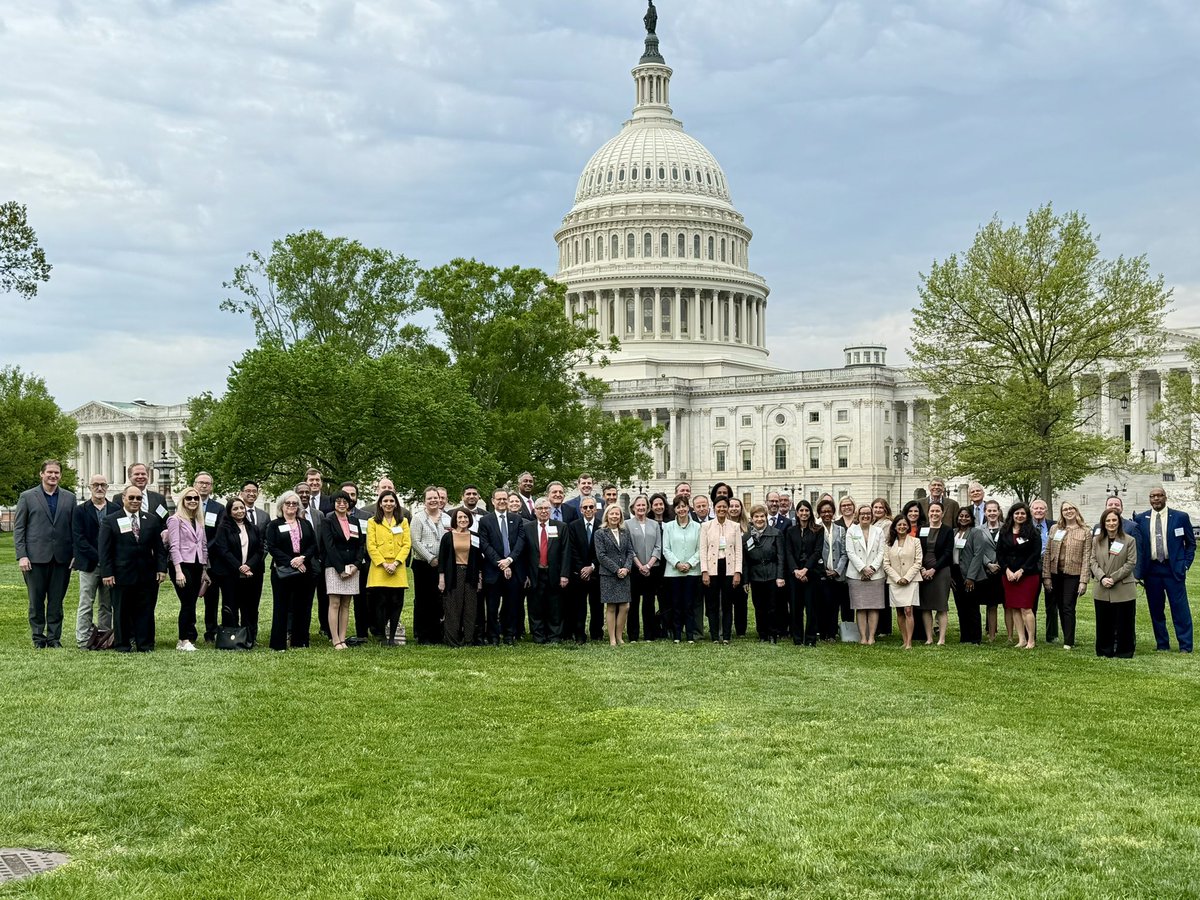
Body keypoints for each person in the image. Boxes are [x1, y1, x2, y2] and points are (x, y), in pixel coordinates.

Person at [14, 459, 76, 649]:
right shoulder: (27, 497)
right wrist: (22, 555)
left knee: (56, 601)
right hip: (35, 558)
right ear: (41, 474)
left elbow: (75, 528)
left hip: (62, 558)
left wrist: (75, 554)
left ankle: (54, 638)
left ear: (60, 475)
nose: (53, 476)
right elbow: (19, 528)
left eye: (56, 473)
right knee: (36, 601)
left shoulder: (69, 497)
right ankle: (38, 637)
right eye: (49, 472)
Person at [99, 484, 168, 652]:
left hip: (146, 574)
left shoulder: (151, 519)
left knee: (145, 610)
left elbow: (159, 548)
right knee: (121, 610)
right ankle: (122, 644)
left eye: (139, 498)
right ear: (123, 498)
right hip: (121, 574)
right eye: (131, 497)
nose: (135, 501)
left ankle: (145, 644)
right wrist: (107, 573)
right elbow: (105, 550)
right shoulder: (110, 520)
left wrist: (161, 568)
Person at [1134, 486, 1195, 653]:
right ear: (1149, 499)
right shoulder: (1140, 519)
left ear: (1165, 497)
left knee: (1180, 609)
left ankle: (1185, 645)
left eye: (1159, 495)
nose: (1156, 499)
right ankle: (1162, 644)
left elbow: (1190, 544)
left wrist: (1185, 564)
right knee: (1156, 609)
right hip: (1152, 570)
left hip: (1173, 569)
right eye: (1152, 496)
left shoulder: (1180, 517)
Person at [265, 490, 318, 652]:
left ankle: (300, 641)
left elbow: (313, 545)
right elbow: (272, 547)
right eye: (288, 503)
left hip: (304, 570)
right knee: (281, 607)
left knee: (303, 606)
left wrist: (302, 558)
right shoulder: (274, 525)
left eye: (295, 504)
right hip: (282, 571)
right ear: (282, 506)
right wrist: (291, 561)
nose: (292, 506)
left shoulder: (305, 523)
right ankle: (279, 643)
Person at [209, 496, 265, 647]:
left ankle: (250, 638)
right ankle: (231, 638)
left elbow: (260, 550)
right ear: (230, 512)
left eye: (242, 508)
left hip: (251, 574)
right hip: (230, 575)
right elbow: (223, 550)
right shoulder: (223, 528)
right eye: (235, 509)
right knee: (231, 606)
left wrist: (249, 565)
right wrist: (239, 566)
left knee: (250, 607)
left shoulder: (254, 528)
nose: (240, 511)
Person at [72, 473, 120, 648]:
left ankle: (105, 637)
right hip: (89, 565)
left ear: (107, 487)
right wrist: (101, 557)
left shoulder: (115, 509)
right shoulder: (80, 510)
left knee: (107, 604)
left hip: (110, 567)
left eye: (103, 485)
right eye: (95, 485)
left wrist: (107, 560)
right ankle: (83, 639)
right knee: (86, 602)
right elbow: (79, 539)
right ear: (89, 488)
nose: (99, 488)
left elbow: (119, 538)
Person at [477, 488, 526, 646]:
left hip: (514, 569)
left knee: (511, 606)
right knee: (492, 606)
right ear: (492, 501)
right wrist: (501, 563)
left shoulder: (516, 519)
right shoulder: (485, 521)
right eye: (499, 499)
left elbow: (520, 543)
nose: (502, 501)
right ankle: (493, 636)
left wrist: (510, 560)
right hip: (493, 570)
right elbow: (485, 545)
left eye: (504, 499)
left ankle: (509, 635)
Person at [319, 491, 365, 650]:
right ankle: (335, 639)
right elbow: (329, 546)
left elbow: (360, 545)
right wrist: (340, 569)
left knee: (346, 603)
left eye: (344, 501)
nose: (341, 504)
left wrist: (356, 565)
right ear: (333, 503)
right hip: (334, 567)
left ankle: (343, 638)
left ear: (349, 503)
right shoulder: (327, 521)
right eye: (338, 501)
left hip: (352, 567)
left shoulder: (354, 521)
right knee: (335, 603)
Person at [1042, 501, 1091, 650]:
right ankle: (1065, 635)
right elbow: (1048, 552)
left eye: (1071, 508)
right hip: (1056, 572)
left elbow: (1087, 557)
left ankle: (1069, 641)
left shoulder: (1085, 531)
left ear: (1076, 511)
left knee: (1068, 606)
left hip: (1073, 574)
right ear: (1061, 512)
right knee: (1059, 605)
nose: (1068, 511)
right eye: (1065, 509)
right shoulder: (1055, 528)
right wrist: (1046, 576)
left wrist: (1084, 581)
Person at [522, 498, 572, 643]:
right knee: (535, 606)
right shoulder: (527, 528)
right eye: (540, 508)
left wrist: (564, 574)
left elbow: (566, 552)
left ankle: (554, 635)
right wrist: (525, 574)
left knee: (555, 606)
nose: (544, 511)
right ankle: (538, 635)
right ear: (534, 511)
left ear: (550, 510)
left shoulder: (561, 527)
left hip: (554, 573)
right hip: (534, 573)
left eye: (546, 508)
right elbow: (524, 553)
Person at [365, 489, 411, 646]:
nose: (388, 504)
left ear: (396, 503)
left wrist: (396, 563)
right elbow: (371, 546)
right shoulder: (373, 522)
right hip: (379, 568)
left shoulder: (403, 521)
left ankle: (393, 637)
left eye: (391, 501)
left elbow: (406, 544)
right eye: (385, 501)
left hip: (398, 567)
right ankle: (381, 636)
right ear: (380, 504)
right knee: (380, 603)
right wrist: (384, 563)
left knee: (396, 602)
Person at [1091, 509, 1139, 658]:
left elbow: (1131, 563)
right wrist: (1102, 577)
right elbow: (1092, 561)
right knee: (1103, 622)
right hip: (1102, 586)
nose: (1111, 523)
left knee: (1125, 622)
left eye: (1114, 520)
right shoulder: (1096, 540)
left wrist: (1113, 578)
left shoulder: (1129, 540)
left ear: (1119, 522)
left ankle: (1124, 651)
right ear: (1103, 523)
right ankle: (1104, 650)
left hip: (1123, 587)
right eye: (1108, 521)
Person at [167, 487, 209, 652]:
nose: (192, 501)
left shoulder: (199, 520)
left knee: (192, 602)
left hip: (197, 564)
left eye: (196, 498)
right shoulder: (175, 520)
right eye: (189, 498)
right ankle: (183, 639)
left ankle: (189, 637)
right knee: (187, 602)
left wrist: (205, 569)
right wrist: (178, 570)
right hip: (182, 564)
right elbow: (174, 546)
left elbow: (203, 545)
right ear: (183, 501)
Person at [996, 502, 1042, 650]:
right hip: (1008, 575)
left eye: (1023, 513)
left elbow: (1035, 555)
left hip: (1027, 575)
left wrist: (1021, 571)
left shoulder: (1033, 533)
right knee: (1014, 607)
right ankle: (1021, 639)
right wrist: (1007, 570)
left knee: (1026, 608)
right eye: (1017, 513)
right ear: (1012, 515)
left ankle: (1031, 640)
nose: (1020, 516)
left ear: (1027, 515)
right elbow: (1000, 553)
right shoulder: (1004, 531)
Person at [700, 496, 743, 643]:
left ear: (728, 508)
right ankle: (714, 636)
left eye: (725, 506)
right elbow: (702, 550)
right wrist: (704, 571)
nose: (722, 509)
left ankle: (726, 636)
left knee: (727, 603)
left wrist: (737, 572)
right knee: (712, 603)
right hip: (712, 567)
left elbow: (738, 551)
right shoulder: (706, 526)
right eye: (719, 506)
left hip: (729, 567)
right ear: (714, 508)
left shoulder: (735, 527)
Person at [438, 508, 483, 647]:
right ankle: (452, 640)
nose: (463, 520)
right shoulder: (448, 536)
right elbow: (442, 559)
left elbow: (478, 559)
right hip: (453, 573)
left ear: (469, 519)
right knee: (453, 607)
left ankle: (468, 639)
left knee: (470, 607)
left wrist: (480, 578)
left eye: (465, 517)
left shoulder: (475, 536)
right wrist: (442, 579)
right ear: (455, 520)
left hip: (471, 574)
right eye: (460, 518)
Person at [662, 493, 702, 643]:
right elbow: (666, 549)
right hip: (673, 572)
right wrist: (677, 563)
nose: (681, 509)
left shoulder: (697, 527)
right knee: (676, 604)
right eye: (678, 507)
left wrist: (690, 563)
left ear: (688, 507)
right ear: (675, 509)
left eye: (683, 506)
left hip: (692, 572)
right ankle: (678, 634)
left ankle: (690, 635)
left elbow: (700, 549)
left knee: (689, 604)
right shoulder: (669, 527)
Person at [191, 471, 225, 643]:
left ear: (211, 487)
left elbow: (219, 534)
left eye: (207, 483)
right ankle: (190, 632)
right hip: (190, 559)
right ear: (194, 484)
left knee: (211, 598)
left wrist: (204, 550)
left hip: (212, 560)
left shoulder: (218, 508)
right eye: (200, 482)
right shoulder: (187, 504)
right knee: (189, 598)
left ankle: (211, 632)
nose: (203, 486)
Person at [783, 500, 824, 645]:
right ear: (797, 513)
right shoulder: (790, 531)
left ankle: (811, 638)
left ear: (810, 512)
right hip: (794, 574)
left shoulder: (818, 530)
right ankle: (797, 638)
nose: (804, 513)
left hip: (811, 573)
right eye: (801, 511)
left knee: (811, 607)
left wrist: (805, 570)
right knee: (795, 607)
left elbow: (817, 552)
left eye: (806, 510)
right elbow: (788, 552)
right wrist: (796, 571)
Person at [409, 487, 446, 645]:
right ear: (424, 501)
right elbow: (415, 542)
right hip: (423, 564)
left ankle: (437, 634)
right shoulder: (418, 518)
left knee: (439, 599)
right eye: (429, 498)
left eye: (435, 498)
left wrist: (442, 560)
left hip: (442, 565)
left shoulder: (446, 517)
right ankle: (423, 635)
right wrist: (430, 558)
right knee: (424, 600)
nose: (433, 501)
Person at [844, 505, 886, 645]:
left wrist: (872, 568)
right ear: (858, 515)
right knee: (860, 607)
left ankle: (872, 636)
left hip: (875, 574)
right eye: (862, 514)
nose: (865, 516)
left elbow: (881, 552)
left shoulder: (878, 531)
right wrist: (863, 569)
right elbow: (850, 552)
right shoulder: (852, 530)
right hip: (857, 574)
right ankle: (863, 637)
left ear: (872, 515)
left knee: (874, 606)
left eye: (868, 513)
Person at [743, 504, 785, 642]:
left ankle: (773, 634)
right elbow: (745, 561)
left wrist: (780, 576)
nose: (759, 519)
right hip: (756, 576)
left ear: (766, 517)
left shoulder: (776, 533)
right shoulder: (747, 536)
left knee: (772, 607)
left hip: (772, 574)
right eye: (756, 516)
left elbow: (780, 556)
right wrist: (746, 580)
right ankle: (762, 634)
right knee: (759, 607)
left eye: (762, 516)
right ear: (752, 518)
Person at [595, 504, 635, 645]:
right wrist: (617, 569)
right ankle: (612, 638)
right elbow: (601, 555)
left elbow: (630, 551)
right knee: (611, 606)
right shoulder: (600, 533)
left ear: (621, 516)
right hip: (609, 574)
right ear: (607, 515)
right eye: (612, 514)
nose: (614, 516)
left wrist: (626, 568)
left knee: (625, 606)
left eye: (617, 514)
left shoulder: (625, 532)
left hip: (625, 574)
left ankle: (619, 636)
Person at [566, 495, 603, 642]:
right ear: (581, 510)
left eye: (591, 507)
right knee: (578, 606)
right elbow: (572, 549)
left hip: (597, 572)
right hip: (579, 574)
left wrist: (592, 566)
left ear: (595, 509)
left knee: (597, 606)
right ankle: (579, 634)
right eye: (585, 507)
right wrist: (582, 568)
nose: (588, 509)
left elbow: (602, 551)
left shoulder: (602, 526)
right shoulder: (573, 526)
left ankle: (597, 633)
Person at [883, 514, 922, 650]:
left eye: (904, 524)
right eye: (899, 524)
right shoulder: (889, 543)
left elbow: (918, 561)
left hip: (910, 581)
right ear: (894, 527)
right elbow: (886, 564)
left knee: (908, 610)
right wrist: (897, 578)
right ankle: (904, 640)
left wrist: (907, 577)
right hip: (895, 581)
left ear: (908, 526)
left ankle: (909, 642)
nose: (902, 527)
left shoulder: (915, 541)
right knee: (899, 611)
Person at [917, 501, 954, 646]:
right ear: (928, 512)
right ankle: (929, 638)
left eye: (937, 511)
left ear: (942, 513)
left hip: (941, 571)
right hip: (923, 570)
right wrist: (922, 569)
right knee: (925, 606)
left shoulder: (947, 530)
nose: (934, 514)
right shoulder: (922, 529)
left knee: (941, 606)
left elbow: (948, 553)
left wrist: (934, 569)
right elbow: (917, 550)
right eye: (932, 511)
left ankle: (942, 639)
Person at [626, 495, 663, 641]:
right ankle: (633, 635)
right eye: (638, 505)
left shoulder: (654, 524)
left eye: (644, 505)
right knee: (633, 603)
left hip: (652, 568)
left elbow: (658, 546)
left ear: (648, 508)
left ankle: (649, 634)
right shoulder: (627, 524)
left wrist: (648, 565)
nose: (641, 508)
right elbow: (628, 547)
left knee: (649, 603)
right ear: (633, 508)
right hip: (635, 569)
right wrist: (640, 565)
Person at [814, 498, 848, 641]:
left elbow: (845, 553)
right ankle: (822, 633)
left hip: (837, 574)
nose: (826, 514)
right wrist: (823, 570)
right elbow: (814, 552)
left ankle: (832, 633)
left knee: (834, 605)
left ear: (833, 512)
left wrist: (837, 570)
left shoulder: (841, 530)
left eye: (829, 511)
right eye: (823, 511)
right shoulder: (815, 529)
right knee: (822, 605)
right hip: (822, 574)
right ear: (819, 514)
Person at [949, 508, 976, 643]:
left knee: (971, 606)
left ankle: (975, 637)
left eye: (966, 516)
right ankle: (964, 637)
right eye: (961, 516)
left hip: (969, 572)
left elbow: (978, 555)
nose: (963, 518)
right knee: (960, 606)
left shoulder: (975, 532)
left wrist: (971, 577)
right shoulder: (953, 532)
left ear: (971, 518)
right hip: (955, 572)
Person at [726, 497, 750, 636]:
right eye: (731, 506)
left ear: (741, 508)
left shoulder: (748, 528)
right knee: (727, 601)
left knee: (742, 602)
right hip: (727, 568)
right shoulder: (723, 526)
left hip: (744, 568)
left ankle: (741, 630)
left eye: (737, 506)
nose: (734, 508)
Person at [648, 492, 671, 636]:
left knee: (666, 599)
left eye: (661, 504)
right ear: (651, 507)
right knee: (650, 599)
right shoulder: (648, 522)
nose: (658, 507)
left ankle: (667, 627)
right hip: (653, 565)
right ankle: (653, 628)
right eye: (655, 504)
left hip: (668, 565)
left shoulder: (671, 521)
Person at [871, 498, 894, 638]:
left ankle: (885, 628)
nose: (878, 510)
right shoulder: (873, 523)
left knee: (884, 597)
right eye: (876, 507)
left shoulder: (887, 524)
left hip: (882, 563)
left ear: (886, 509)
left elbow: (885, 543)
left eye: (881, 507)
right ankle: (877, 626)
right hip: (873, 562)